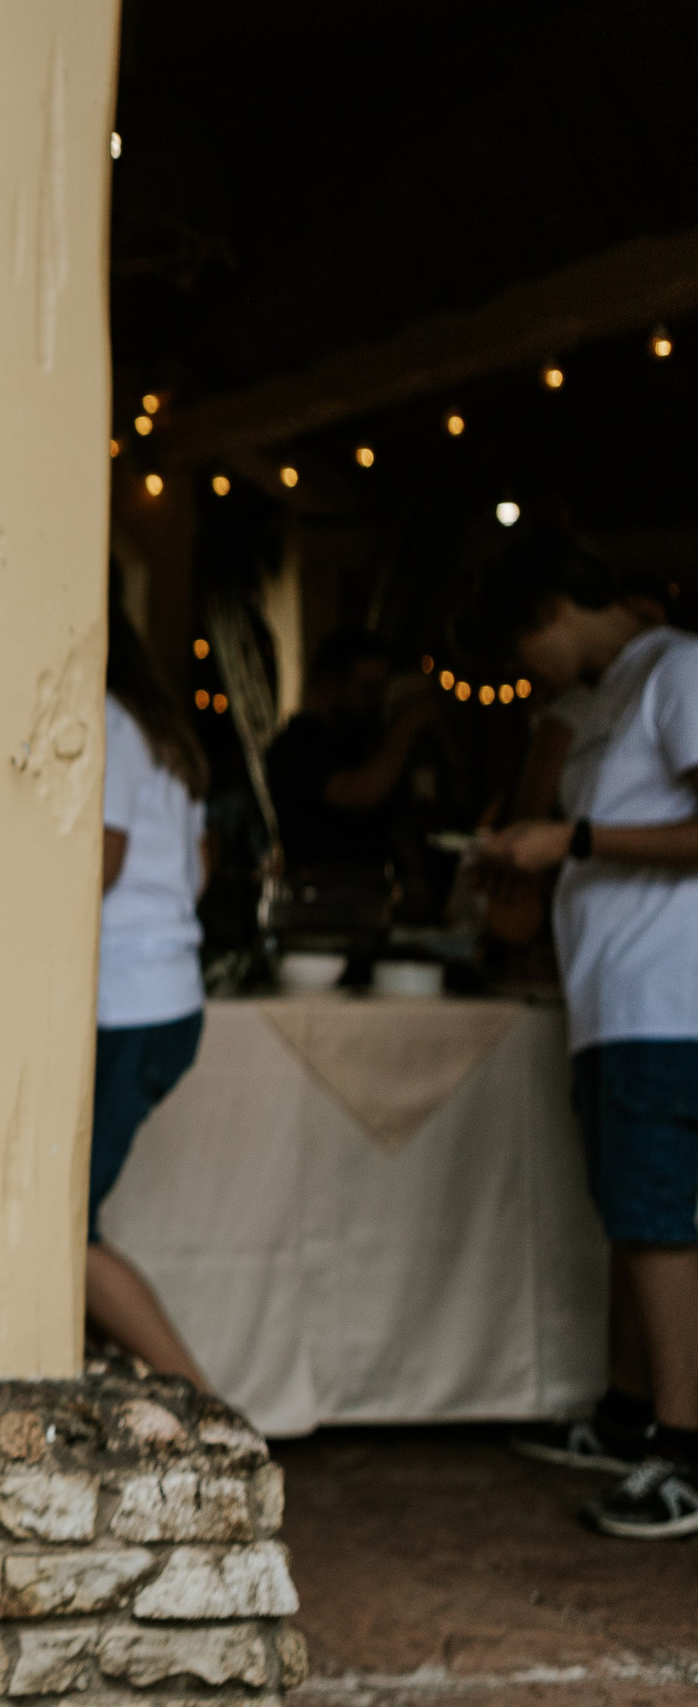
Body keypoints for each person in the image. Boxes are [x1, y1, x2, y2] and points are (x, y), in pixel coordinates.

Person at [471, 525, 698, 1540]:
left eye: (521, 654)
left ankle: (682, 1450)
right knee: (627, 1208)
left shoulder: (680, 669)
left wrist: (574, 839)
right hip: (611, 994)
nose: (524, 677)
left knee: (659, 1215)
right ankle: (625, 1413)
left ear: (548, 616)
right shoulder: (608, 691)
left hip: (670, 991)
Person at [87, 596, 211, 1386]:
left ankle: (203, 1404)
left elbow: (103, 859)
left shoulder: (98, 715)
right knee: (73, 1219)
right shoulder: (164, 732)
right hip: (167, 996)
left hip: (124, 1002)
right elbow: (202, 867)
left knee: (61, 1232)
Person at [267, 629, 439, 871]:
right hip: (322, 894)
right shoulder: (297, 744)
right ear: (328, 684)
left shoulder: (361, 740)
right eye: (368, 689)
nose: (377, 701)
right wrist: (408, 724)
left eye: (382, 690)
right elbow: (357, 793)